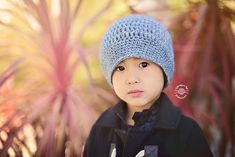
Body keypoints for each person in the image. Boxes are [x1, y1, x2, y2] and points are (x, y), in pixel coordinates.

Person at [83, 14, 213, 157]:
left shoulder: (185, 133)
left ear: (164, 69)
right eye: (120, 68)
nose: (132, 79)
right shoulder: (101, 129)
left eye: (143, 64)